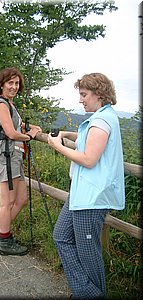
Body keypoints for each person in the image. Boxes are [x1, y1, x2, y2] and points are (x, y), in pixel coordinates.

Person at [48, 73, 125, 299]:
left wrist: (56, 145)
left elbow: (89, 159)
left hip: (92, 196)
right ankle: (86, 292)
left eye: (84, 95)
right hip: (82, 193)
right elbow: (89, 138)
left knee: (88, 253)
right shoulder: (102, 117)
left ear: (99, 95)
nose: (80, 100)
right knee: (61, 236)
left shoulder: (102, 120)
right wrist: (66, 134)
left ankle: (91, 295)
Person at [0, 67, 41, 256]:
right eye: (10, 82)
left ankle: (1, 235)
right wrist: (30, 136)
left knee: (21, 199)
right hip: (6, 157)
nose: (14, 86)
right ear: (1, 84)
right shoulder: (0, 104)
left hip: (14, 157)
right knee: (8, 202)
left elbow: (14, 125)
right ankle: (5, 241)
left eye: (17, 83)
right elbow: (11, 133)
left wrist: (30, 127)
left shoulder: (9, 105)